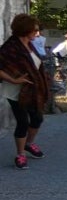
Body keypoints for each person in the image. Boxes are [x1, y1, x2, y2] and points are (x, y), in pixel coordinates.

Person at [0, 14, 50, 170]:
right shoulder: (10, 47)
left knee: (37, 118)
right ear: (25, 30)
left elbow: (35, 66)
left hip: (33, 90)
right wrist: (14, 80)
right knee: (23, 122)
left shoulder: (30, 44)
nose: (37, 33)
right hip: (16, 91)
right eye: (34, 30)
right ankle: (20, 154)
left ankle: (29, 143)